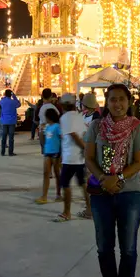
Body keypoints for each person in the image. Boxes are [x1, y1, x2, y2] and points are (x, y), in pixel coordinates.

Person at [84, 83, 140, 277]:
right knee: (104, 247)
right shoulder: (97, 127)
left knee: (128, 247)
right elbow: (89, 157)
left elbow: (139, 162)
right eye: (113, 99)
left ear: (129, 102)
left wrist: (117, 177)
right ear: (106, 101)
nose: (117, 104)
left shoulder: (136, 128)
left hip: (130, 193)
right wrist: (103, 178)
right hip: (101, 193)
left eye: (121, 99)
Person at [55, 93, 91, 221]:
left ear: (63, 105)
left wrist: (84, 148)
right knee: (83, 184)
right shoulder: (79, 116)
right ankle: (89, 210)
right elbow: (84, 133)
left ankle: (66, 213)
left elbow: (73, 135)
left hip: (70, 157)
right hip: (80, 158)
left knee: (65, 184)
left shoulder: (65, 118)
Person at [35, 108, 62, 204]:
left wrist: (61, 153)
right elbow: (44, 138)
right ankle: (44, 196)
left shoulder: (57, 126)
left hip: (56, 153)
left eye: (46, 116)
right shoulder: (46, 127)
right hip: (47, 152)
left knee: (57, 174)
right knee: (46, 173)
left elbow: (62, 138)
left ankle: (58, 194)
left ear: (49, 117)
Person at [0, 89, 21, 156]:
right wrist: (14, 96)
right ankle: (10, 152)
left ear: (5, 94)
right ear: (11, 94)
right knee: (11, 138)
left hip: (4, 121)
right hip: (12, 121)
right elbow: (19, 104)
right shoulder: (13, 102)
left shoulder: (1, 101)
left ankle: (2, 152)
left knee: (4, 137)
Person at [38, 88, 58, 153]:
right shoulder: (53, 107)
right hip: (52, 132)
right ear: (51, 96)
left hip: (43, 132)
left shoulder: (41, 108)